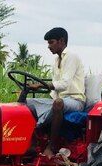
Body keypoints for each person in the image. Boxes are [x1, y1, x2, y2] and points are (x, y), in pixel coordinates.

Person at [27, 27, 85, 158]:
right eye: (48, 43)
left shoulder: (71, 56)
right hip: (61, 99)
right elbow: (55, 88)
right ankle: (31, 143)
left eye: (51, 42)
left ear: (61, 41)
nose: (48, 46)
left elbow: (65, 84)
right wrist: (36, 88)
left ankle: (51, 146)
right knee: (27, 103)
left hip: (75, 100)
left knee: (58, 104)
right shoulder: (56, 60)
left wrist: (42, 85)